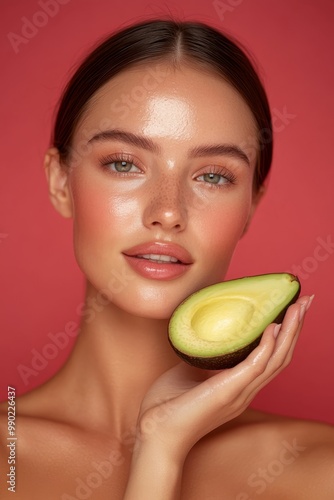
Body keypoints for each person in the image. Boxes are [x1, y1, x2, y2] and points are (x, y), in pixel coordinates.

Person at [1, 17, 333, 500]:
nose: (168, 212)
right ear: (60, 182)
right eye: (123, 164)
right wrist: (157, 457)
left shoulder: (320, 473)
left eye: (214, 176)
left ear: (251, 207)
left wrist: (163, 443)